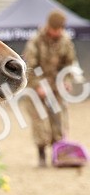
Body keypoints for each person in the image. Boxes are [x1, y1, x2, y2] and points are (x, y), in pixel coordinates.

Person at [23, 10, 78, 166]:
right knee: (40, 123)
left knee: (59, 122)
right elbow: (30, 67)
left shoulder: (65, 41)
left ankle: (58, 154)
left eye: (61, 29)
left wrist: (66, 80)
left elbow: (69, 64)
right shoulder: (35, 42)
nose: (59, 32)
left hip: (56, 89)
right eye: (56, 29)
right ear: (49, 27)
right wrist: (38, 85)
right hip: (36, 90)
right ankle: (41, 155)